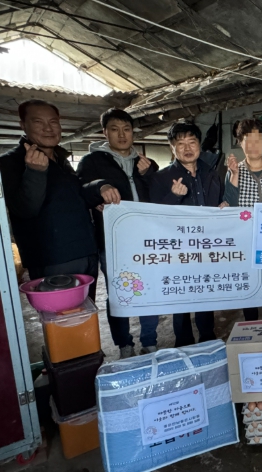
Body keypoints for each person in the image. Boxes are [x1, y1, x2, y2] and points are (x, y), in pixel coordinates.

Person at [77, 108, 160, 358]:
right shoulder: (91, 162)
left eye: (126, 129)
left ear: (133, 132)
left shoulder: (145, 163)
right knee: (117, 292)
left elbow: (160, 195)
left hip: (145, 241)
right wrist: (98, 189)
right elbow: (79, 192)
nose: (122, 135)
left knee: (148, 289)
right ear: (105, 132)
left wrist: (149, 174)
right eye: (115, 129)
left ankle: (150, 341)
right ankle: (124, 344)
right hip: (112, 241)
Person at [0, 99, 98, 299]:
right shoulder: (10, 163)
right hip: (54, 259)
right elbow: (24, 209)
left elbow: (74, 197)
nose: (48, 128)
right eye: (38, 122)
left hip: (85, 252)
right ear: (23, 125)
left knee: (86, 312)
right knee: (62, 315)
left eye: (53, 122)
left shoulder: (60, 159)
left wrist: (100, 189)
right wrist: (35, 172)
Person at [150, 122, 228, 347]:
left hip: (206, 246)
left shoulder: (211, 173)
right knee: (181, 297)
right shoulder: (161, 178)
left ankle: (207, 338)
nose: (187, 148)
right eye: (180, 143)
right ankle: (183, 341)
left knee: (204, 292)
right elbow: (153, 217)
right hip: (178, 250)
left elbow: (217, 203)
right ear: (172, 147)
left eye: (192, 142)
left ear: (199, 145)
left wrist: (222, 207)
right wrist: (174, 196)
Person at [224, 118, 262, 321]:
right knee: (249, 286)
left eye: (257, 140)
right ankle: (251, 326)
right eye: (247, 140)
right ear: (240, 143)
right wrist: (234, 176)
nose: (253, 145)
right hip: (245, 243)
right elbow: (229, 204)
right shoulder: (234, 171)